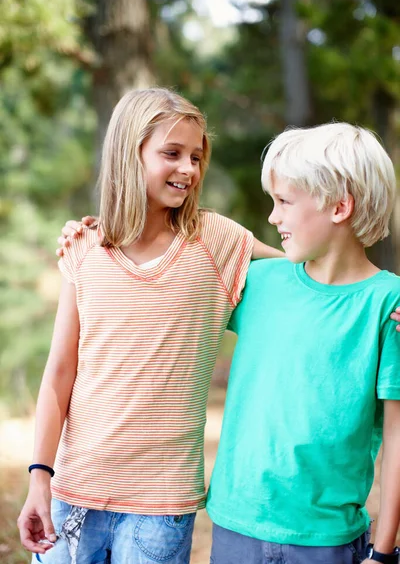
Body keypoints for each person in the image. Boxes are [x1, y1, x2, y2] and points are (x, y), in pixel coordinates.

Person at [17, 87, 282, 564]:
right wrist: (41, 477)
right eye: (172, 153)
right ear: (128, 153)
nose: (189, 169)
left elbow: (308, 277)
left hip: (161, 506)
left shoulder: (216, 241)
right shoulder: (85, 248)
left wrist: (384, 294)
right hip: (73, 493)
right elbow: (59, 373)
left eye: (197, 157)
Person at [206, 123, 400, 564]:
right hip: (236, 526)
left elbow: (397, 435)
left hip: (326, 539)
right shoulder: (257, 282)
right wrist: (96, 238)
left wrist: (384, 551)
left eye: (284, 202)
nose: (273, 217)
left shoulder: (388, 305)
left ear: (340, 207)